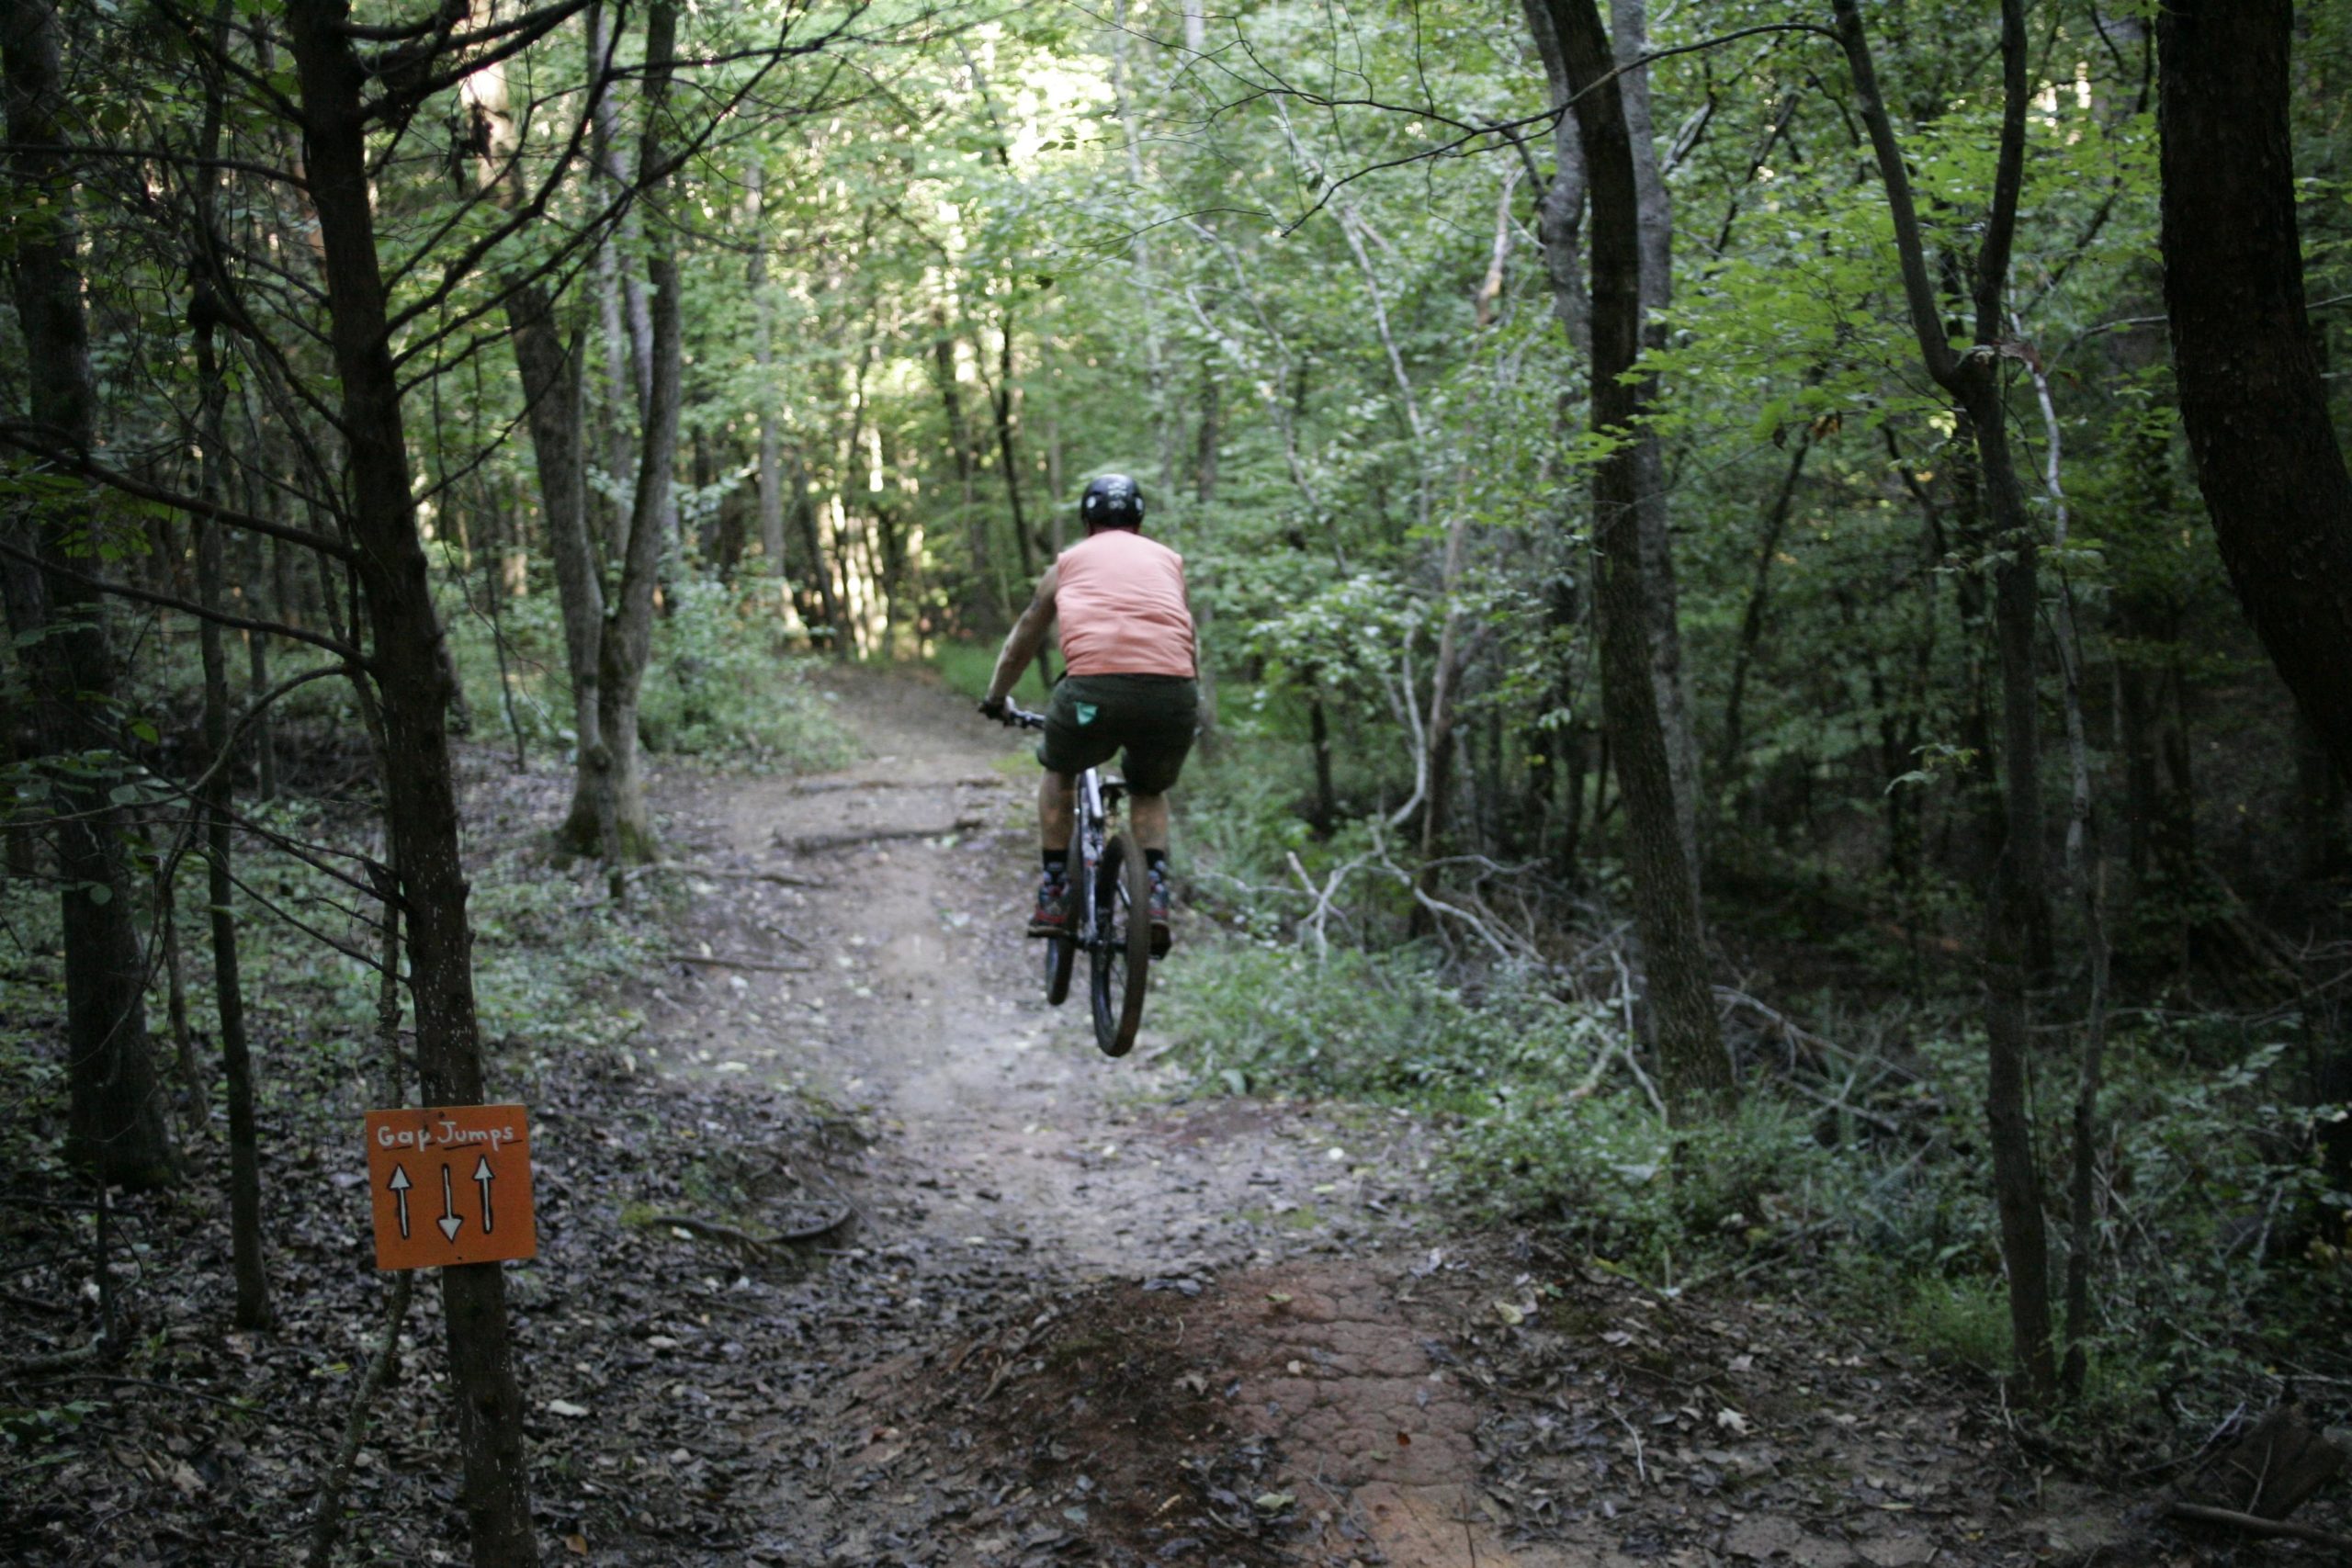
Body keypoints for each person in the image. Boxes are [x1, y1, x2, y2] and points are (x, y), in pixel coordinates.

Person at [978, 473, 1198, 953]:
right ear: (1139, 520)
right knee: (1149, 789)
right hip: (1174, 691)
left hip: (1090, 694)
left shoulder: (1068, 563)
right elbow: (1186, 635)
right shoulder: (1169, 562)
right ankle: (1155, 892)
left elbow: (1023, 638)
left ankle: (1055, 891)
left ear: (1086, 519)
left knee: (1060, 772)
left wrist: (996, 697)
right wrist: (1184, 698)